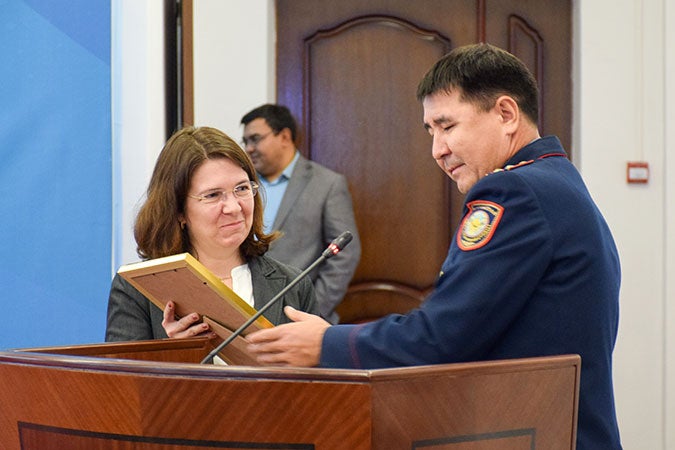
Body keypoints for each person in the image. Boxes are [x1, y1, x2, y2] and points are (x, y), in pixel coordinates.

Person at [246, 44, 622, 449]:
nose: (437, 150)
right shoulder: (557, 180)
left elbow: (442, 338)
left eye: (447, 126)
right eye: (431, 131)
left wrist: (325, 343)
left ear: (506, 114)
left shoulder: (514, 191)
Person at [106, 126, 318, 342]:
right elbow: (120, 376)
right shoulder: (136, 287)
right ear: (179, 211)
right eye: (213, 195)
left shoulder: (294, 284)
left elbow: (316, 374)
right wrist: (173, 355)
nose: (234, 207)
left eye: (242, 189)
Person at [240, 104, 361, 324]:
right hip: (246, 314)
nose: (248, 148)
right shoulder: (243, 186)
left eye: (255, 139)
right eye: (245, 141)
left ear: (285, 136)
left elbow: (346, 253)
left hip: (300, 316)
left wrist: (312, 308)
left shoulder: (327, 183)